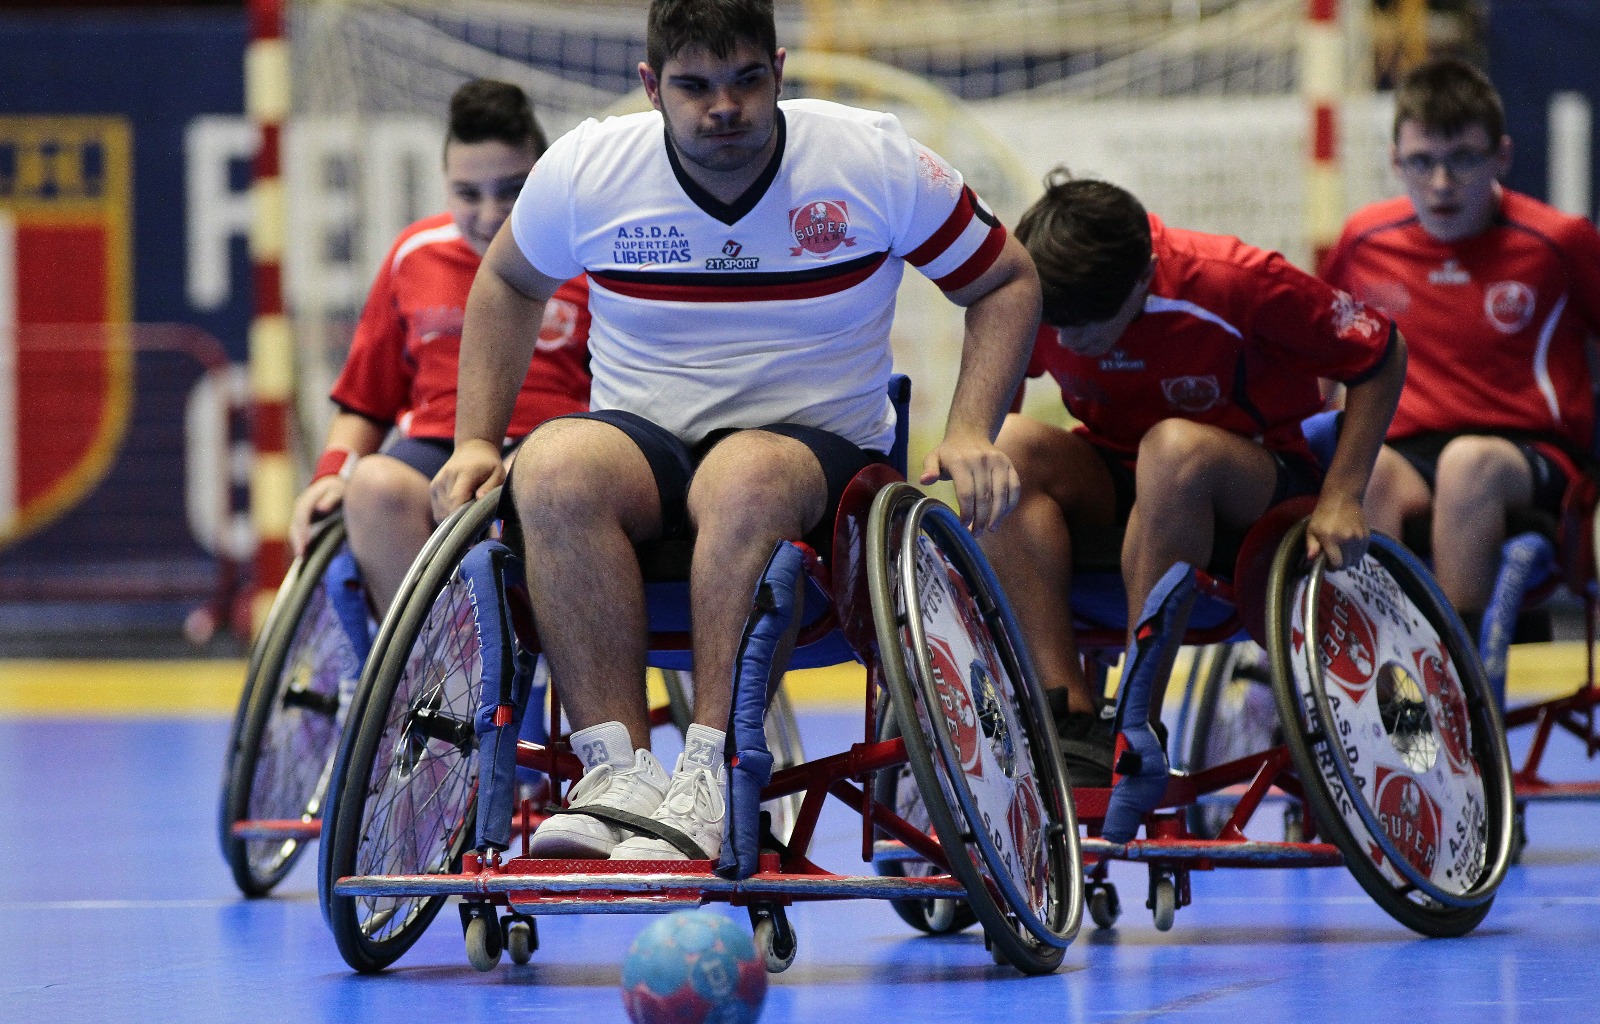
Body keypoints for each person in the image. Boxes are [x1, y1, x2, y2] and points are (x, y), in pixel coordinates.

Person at [432, 0, 1041, 862]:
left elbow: (1006, 280)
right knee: (553, 466)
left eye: (747, 80)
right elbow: (507, 284)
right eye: (695, 86)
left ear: (780, 71)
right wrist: (475, 441)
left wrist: (973, 427)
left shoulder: (869, 159)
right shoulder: (588, 168)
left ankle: (712, 776)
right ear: (651, 88)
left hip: (818, 454)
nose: (724, 107)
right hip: (646, 439)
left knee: (743, 474)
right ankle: (615, 777)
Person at [980, 170, 1406, 815]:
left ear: (1143, 279)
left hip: (1251, 484)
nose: (1063, 344)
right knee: (1005, 447)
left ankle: (1137, 719)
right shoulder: (1036, 293)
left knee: (1173, 447)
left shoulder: (1238, 280)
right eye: (1054, 325)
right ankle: (1069, 720)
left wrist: (1344, 492)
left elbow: (1381, 352)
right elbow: (993, 436)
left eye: (1084, 328)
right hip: (1118, 477)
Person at [288, 79, 592, 614]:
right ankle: (437, 678)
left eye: (512, 190)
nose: (491, 213)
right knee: (373, 486)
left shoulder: (588, 255)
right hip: (437, 447)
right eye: (468, 194)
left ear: (543, 177)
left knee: (549, 478)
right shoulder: (414, 255)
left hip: (555, 446)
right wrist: (332, 472)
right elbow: (366, 400)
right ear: (446, 186)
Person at [1322, 57, 1600, 625]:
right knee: (1362, 472)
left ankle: (1457, 678)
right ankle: (1375, 672)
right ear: (1396, 162)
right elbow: (1319, 354)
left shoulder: (1559, 243)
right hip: (1406, 453)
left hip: (1530, 458)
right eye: (1422, 162)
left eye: (1463, 160)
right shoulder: (1364, 240)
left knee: (1467, 464)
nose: (1442, 183)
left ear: (1502, 155)